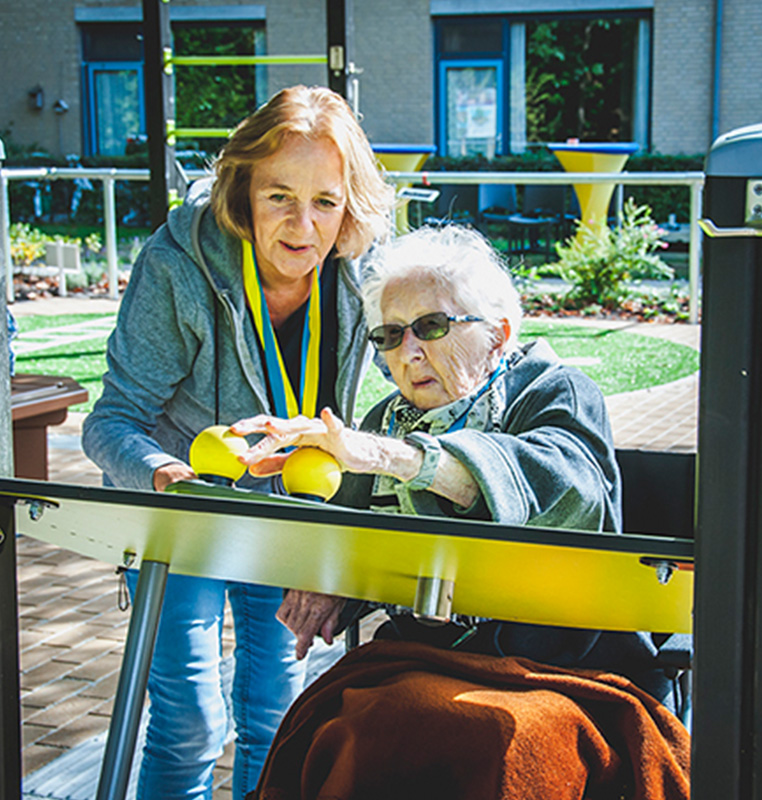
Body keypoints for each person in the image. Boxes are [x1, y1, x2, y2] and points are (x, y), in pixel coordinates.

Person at [231, 225, 691, 799]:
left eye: (431, 326)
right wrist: (333, 584)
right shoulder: (386, 420)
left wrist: (392, 457)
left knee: (500, 740)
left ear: (497, 334)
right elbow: (354, 539)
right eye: (390, 335)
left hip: (562, 669)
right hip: (420, 658)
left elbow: (569, 493)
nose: (410, 352)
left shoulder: (556, 392)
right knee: (341, 727)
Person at [82, 85, 394, 800]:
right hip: (178, 511)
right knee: (189, 721)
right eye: (279, 195)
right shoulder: (179, 264)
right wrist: (170, 477)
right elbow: (111, 421)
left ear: (349, 207)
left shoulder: (365, 271)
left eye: (325, 201)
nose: (302, 226)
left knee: (276, 716)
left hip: (285, 513)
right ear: (242, 187)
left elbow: (419, 378)